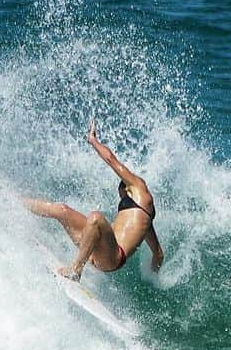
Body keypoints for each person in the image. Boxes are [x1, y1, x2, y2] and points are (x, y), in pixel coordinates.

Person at [24, 119, 164, 281]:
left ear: (127, 188)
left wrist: (93, 140)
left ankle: (75, 270)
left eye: (122, 196)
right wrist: (153, 276)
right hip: (95, 249)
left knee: (96, 218)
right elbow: (158, 254)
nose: (121, 199)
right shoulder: (145, 223)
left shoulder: (139, 187)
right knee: (61, 210)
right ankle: (16, 202)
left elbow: (111, 159)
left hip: (113, 258)